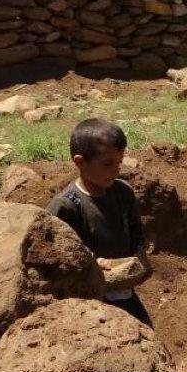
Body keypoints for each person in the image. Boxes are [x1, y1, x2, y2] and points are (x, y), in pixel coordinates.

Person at [45, 118, 152, 325]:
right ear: (80, 162)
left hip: (123, 289)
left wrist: (139, 255)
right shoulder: (66, 207)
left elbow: (135, 230)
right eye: (107, 164)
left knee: (145, 331)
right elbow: (56, 253)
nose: (116, 170)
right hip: (87, 297)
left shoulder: (123, 192)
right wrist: (92, 262)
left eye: (119, 162)